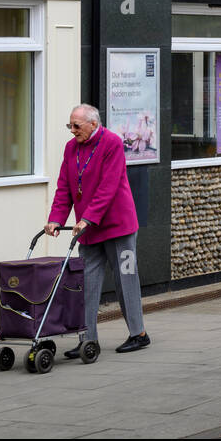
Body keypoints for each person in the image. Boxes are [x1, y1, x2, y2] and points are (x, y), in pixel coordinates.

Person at [45, 104, 150, 356]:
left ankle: (139, 334)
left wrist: (87, 218)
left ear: (93, 124)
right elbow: (64, 188)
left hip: (118, 227)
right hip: (89, 231)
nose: (72, 131)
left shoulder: (112, 143)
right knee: (86, 285)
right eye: (69, 125)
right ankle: (87, 340)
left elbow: (108, 186)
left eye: (76, 126)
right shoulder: (71, 148)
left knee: (126, 279)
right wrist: (56, 219)